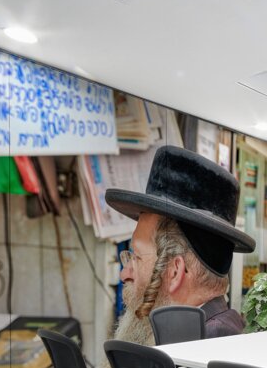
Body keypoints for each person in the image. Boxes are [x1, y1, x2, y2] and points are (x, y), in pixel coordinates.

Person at [104, 145, 256, 347]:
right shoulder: (188, 336)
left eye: (137, 257)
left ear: (175, 271)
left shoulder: (205, 349)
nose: (124, 274)